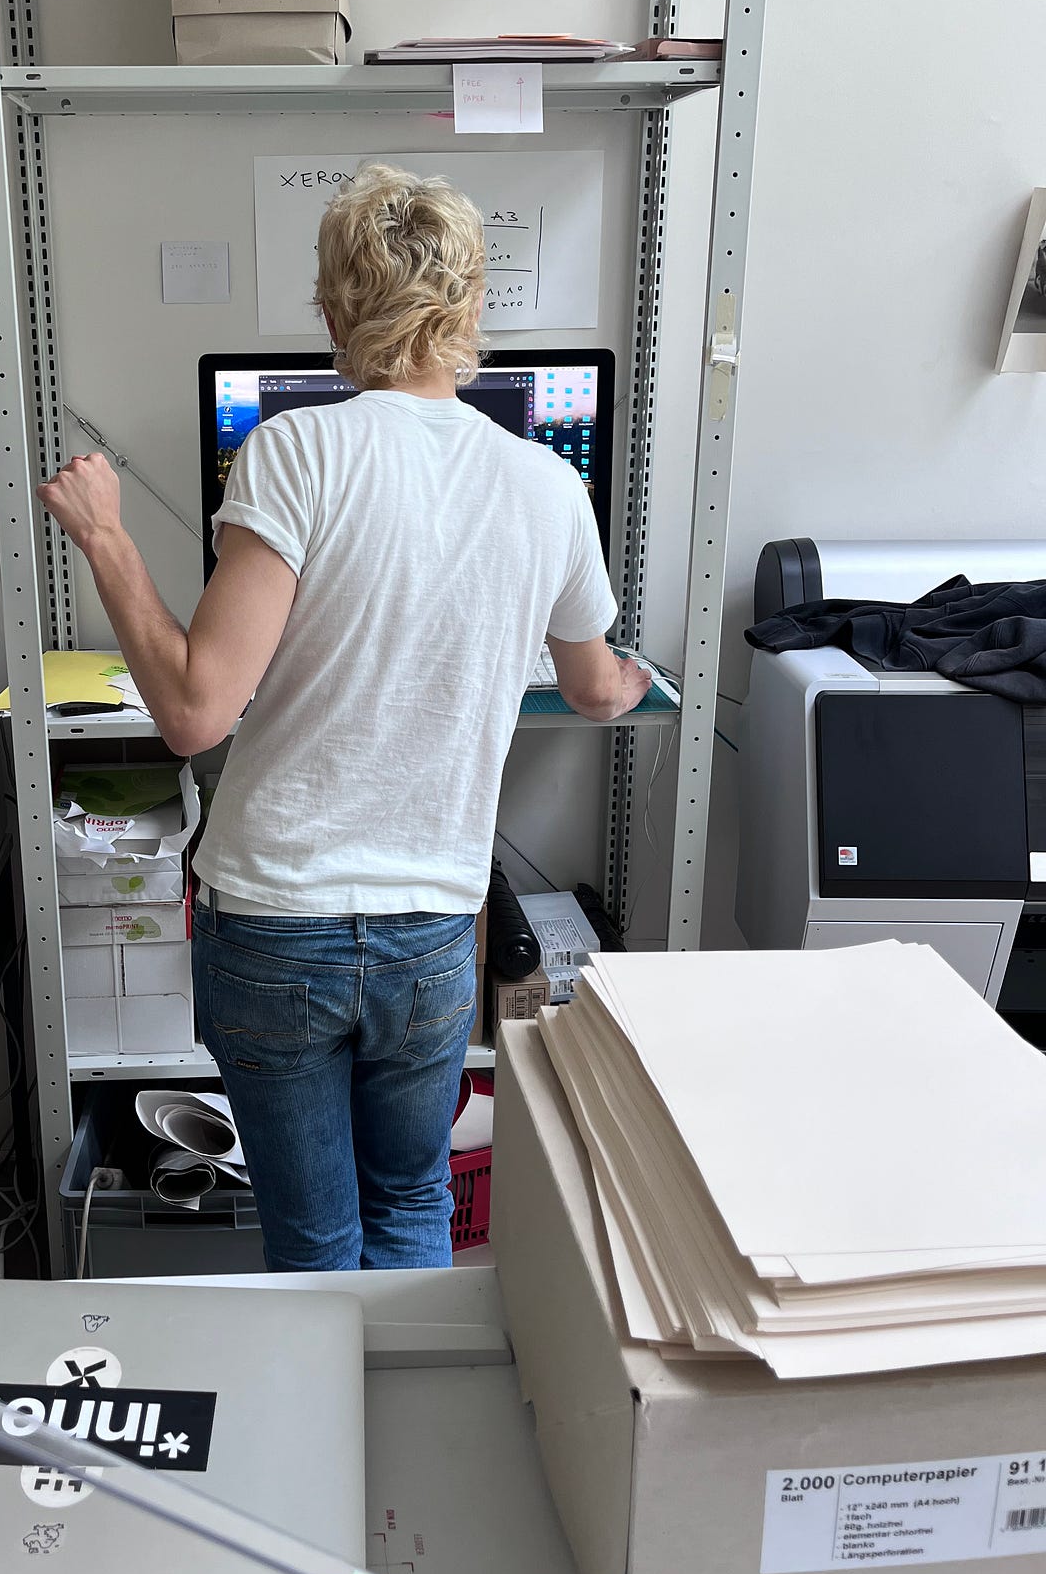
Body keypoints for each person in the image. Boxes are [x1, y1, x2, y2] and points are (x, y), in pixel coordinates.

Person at [37, 163, 648, 1271]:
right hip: (429, 929)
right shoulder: (547, 487)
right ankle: (405, 1442)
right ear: (469, 312)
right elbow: (599, 689)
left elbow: (190, 712)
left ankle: (325, 1438)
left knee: (314, 1238)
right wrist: (630, 675)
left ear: (331, 309)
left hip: (277, 923)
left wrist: (107, 536)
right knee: (412, 1209)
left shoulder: (295, 450)